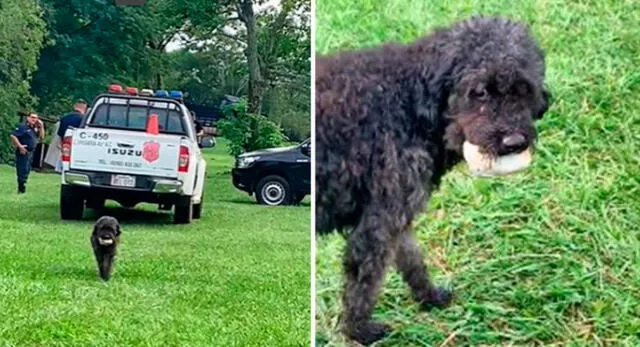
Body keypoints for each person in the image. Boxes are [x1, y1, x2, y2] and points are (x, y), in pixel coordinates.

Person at [10, 112, 45, 194]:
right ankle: (21, 188)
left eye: (36, 118)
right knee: (22, 169)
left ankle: (23, 185)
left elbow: (42, 137)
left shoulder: (34, 128)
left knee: (27, 169)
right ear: (28, 118)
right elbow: (13, 136)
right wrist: (20, 146)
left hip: (31, 152)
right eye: (32, 117)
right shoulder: (23, 126)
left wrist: (41, 126)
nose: (34, 119)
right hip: (23, 151)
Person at [55, 99, 88, 172]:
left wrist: (62, 146)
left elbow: (60, 135)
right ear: (84, 108)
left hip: (65, 145)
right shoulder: (84, 119)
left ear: (74, 106)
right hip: (78, 146)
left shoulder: (64, 117)